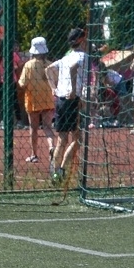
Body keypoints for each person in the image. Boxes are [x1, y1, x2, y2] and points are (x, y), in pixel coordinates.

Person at [50, 26, 92, 186]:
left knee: (62, 139)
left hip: (61, 99)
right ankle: (61, 169)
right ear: (81, 40)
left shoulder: (66, 57)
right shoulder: (83, 56)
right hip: (72, 99)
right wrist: (74, 90)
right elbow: (74, 69)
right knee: (77, 138)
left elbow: (49, 69)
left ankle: (55, 172)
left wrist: (53, 88)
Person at [16, 35, 53, 166]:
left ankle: (34, 154)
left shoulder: (29, 65)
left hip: (33, 99)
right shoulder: (50, 64)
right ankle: (51, 146)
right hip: (48, 98)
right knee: (48, 127)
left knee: (34, 128)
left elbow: (22, 83)